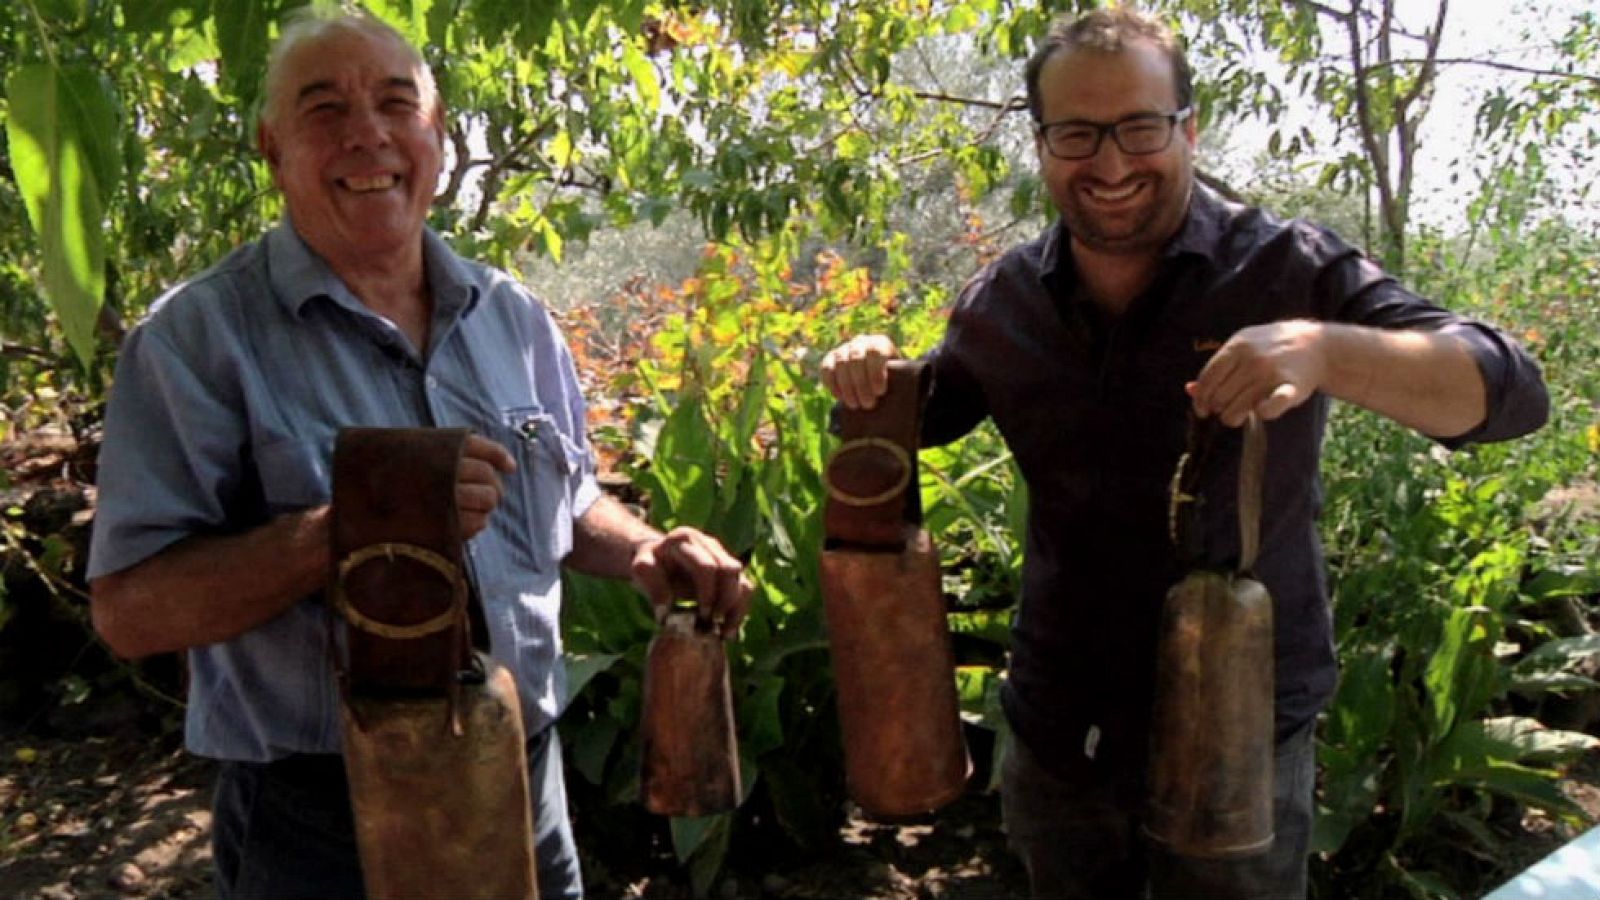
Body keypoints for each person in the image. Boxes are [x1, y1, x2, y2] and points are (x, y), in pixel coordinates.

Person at [821, 8, 1547, 899]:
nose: (1113, 163)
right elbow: (922, 414)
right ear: (1043, 143)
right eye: (1079, 133)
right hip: (1061, 729)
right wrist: (870, 374)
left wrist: (1327, 351)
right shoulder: (1003, 299)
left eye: (1140, 127)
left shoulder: (1287, 267)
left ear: (1189, 128)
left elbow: (1511, 392)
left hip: (1239, 727)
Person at [86, 9, 750, 899]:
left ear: (437, 136)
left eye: (398, 103)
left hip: (525, 783)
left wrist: (639, 550)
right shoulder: (193, 342)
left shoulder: (512, 318)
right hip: (325, 830)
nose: (368, 134)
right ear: (271, 147)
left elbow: (566, 500)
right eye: (324, 109)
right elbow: (132, 614)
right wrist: (357, 527)